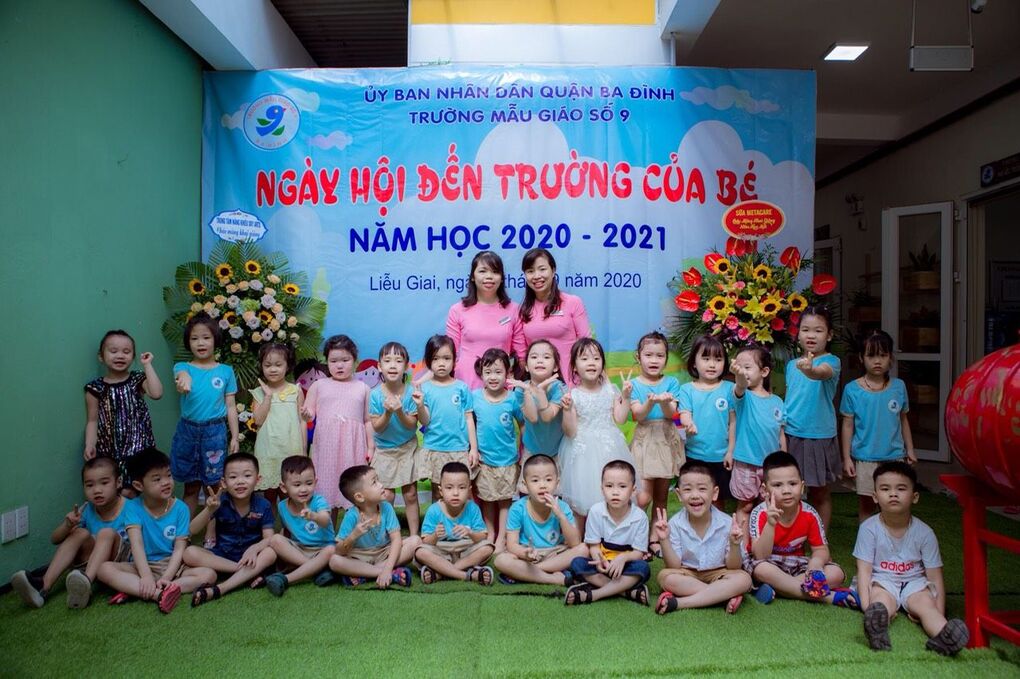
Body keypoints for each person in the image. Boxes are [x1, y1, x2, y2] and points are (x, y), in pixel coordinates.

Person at [854, 461, 968, 654]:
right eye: (885, 489)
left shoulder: (925, 533)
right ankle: (877, 628)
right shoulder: (868, 529)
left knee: (926, 606)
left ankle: (944, 635)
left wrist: (938, 610)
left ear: (914, 497)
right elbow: (864, 571)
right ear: (875, 496)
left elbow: (935, 576)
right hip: (883, 580)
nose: (893, 494)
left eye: (901, 488)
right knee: (880, 600)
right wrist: (867, 607)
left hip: (915, 583)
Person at [96, 448, 216, 614]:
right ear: (139, 485)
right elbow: (136, 544)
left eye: (168, 475)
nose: (166, 482)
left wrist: (166, 577)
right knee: (104, 569)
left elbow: (179, 549)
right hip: (142, 566)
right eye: (157, 479)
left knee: (209, 575)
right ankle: (158, 594)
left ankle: (144, 588)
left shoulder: (180, 508)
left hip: (174, 566)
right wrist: (146, 575)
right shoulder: (133, 507)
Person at [745, 451, 858, 609]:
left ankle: (780, 589)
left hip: (797, 565)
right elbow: (760, 556)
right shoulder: (760, 513)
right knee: (762, 570)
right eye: (777, 485)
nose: (786, 490)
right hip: (768, 563)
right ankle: (828, 597)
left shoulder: (809, 513)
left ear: (802, 486)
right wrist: (770, 524)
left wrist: (815, 565)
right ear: (764, 490)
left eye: (793, 484)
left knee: (836, 573)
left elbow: (821, 550)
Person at [10, 458, 128, 609]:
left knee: (106, 533)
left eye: (104, 483)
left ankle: (85, 585)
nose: (97, 490)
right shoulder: (86, 510)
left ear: (118, 482)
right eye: (90, 485)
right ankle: (43, 587)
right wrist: (67, 526)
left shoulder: (131, 507)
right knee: (79, 532)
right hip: (91, 563)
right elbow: (54, 539)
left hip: (118, 564)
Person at [558, 338, 642, 532]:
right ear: (574, 367)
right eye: (584, 358)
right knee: (581, 503)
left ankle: (609, 538)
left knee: (612, 496)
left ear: (602, 364)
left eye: (596, 358)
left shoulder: (610, 390)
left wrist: (626, 397)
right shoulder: (573, 395)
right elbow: (570, 431)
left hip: (610, 448)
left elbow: (620, 418)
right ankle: (578, 541)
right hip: (583, 452)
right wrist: (567, 410)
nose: (591, 363)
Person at [171, 312, 239, 549]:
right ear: (188, 342)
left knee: (214, 486)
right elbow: (182, 378)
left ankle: (211, 531)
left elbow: (231, 406)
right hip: (187, 432)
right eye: (195, 338)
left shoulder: (226, 371)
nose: (200, 343)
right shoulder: (182, 367)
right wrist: (184, 381)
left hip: (215, 433)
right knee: (190, 486)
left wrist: (235, 436)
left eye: (206, 337)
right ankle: (183, 533)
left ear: (215, 340)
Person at [654, 461, 752, 614]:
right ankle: (722, 596)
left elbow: (734, 567)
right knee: (666, 577)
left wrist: (734, 544)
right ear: (679, 495)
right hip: (687, 572)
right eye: (688, 489)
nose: (695, 495)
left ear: (714, 493)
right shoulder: (674, 524)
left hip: (719, 573)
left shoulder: (727, 523)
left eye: (702, 489)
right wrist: (664, 540)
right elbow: (674, 566)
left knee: (744, 579)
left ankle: (680, 603)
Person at [840, 330, 917, 522]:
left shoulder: (899, 387)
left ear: (890, 358)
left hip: (895, 456)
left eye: (883, 355)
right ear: (861, 358)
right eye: (871, 355)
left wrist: (910, 449)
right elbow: (847, 425)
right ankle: (867, 539)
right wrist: (847, 458)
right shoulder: (852, 389)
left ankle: (894, 537)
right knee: (866, 504)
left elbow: (903, 419)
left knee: (895, 503)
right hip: (865, 458)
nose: (877, 361)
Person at [182, 453, 278, 606]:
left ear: (257, 480)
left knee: (270, 553)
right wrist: (209, 509)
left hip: (252, 558)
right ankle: (244, 573)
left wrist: (254, 549)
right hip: (223, 557)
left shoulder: (263, 505)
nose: (240, 481)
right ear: (224, 482)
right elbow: (191, 530)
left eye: (247, 476)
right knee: (189, 553)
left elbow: (269, 538)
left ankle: (222, 588)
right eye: (233, 477)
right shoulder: (219, 502)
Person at [301, 334, 373, 515]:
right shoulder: (319, 385)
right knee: (327, 489)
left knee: (354, 488)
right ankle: (327, 528)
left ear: (354, 361)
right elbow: (309, 415)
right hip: (327, 446)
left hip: (353, 445)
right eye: (333, 361)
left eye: (345, 360)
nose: (339, 365)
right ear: (326, 362)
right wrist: (307, 414)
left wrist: (371, 447)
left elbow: (367, 420)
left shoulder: (363, 388)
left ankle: (355, 529)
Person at [84, 329, 163, 494]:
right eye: (113, 351)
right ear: (101, 356)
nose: (120, 355)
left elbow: (156, 393)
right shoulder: (95, 388)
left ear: (133, 357)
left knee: (142, 491)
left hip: (141, 450)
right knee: (119, 494)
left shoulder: (137, 379)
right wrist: (90, 444)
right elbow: (92, 420)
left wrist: (147, 365)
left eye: (126, 352)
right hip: (111, 453)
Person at [784, 306, 842, 530]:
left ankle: (821, 540)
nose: (811, 335)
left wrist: (809, 370)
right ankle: (791, 537)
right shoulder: (791, 365)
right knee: (789, 490)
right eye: (806, 329)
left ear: (829, 335)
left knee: (819, 491)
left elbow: (821, 373)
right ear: (798, 333)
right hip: (790, 434)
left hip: (818, 435)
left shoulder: (832, 361)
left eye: (818, 330)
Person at [627, 331, 684, 556]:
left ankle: (654, 538)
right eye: (648, 355)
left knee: (661, 496)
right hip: (645, 440)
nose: (654, 360)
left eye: (659, 356)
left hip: (666, 439)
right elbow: (638, 415)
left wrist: (666, 402)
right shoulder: (633, 385)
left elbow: (673, 415)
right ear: (638, 357)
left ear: (666, 359)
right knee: (643, 497)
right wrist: (651, 403)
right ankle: (635, 537)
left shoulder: (672, 383)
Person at [564, 460, 650, 606]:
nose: (615, 492)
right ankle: (626, 591)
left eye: (622, 486)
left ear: (633, 490)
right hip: (603, 564)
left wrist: (623, 558)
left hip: (625, 566)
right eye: (609, 486)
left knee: (643, 568)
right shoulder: (596, 511)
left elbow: (638, 552)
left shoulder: (640, 517)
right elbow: (594, 546)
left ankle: (595, 594)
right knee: (577, 563)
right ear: (602, 489)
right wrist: (599, 560)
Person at [493, 454, 587, 586]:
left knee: (584, 549)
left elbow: (575, 543)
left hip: (555, 553)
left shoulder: (562, 507)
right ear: (525, 485)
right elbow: (511, 544)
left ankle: (529, 572)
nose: (542, 485)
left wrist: (560, 515)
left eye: (548, 480)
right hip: (528, 554)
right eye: (535, 480)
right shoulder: (517, 508)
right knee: (501, 560)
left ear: (557, 483)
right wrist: (523, 553)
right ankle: (553, 578)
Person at [328, 465, 421, 587]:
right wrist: (353, 536)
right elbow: (339, 550)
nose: (381, 485)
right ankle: (391, 574)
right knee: (334, 561)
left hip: (384, 552)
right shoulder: (351, 516)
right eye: (374, 483)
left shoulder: (386, 507)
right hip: (360, 556)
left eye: (378, 480)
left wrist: (387, 568)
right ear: (359, 497)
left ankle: (365, 574)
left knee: (416, 541)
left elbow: (396, 540)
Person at [446, 250, 526, 389]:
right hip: (465, 384)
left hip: (500, 386)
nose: (489, 276)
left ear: (502, 278)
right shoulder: (457, 310)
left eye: (495, 272)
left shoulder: (514, 310)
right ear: (472, 277)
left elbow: (521, 355)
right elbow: (450, 353)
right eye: (482, 271)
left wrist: (513, 377)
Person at [727, 343, 785, 531]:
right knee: (745, 506)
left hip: (771, 466)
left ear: (764, 371)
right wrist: (739, 375)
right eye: (739, 367)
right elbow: (741, 385)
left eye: (747, 367)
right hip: (746, 463)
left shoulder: (777, 402)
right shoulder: (743, 396)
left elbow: (781, 434)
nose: (742, 371)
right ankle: (742, 545)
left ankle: (764, 543)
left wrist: (784, 460)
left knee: (770, 506)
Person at [413, 334, 477, 498]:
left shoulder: (462, 388)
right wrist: (420, 406)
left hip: (459, 448)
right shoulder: (424, 388)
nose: (441, 363)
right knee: (438, 492)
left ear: (455, 360)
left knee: (463, 493)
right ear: (428, 361)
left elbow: (469, 419)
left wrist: (474, 449)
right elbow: (425, 421)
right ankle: (437, 517)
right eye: (435, 359)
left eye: (446, 358)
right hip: (435, 448)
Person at [472, 348, 523, 551]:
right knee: (487, 498)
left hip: (507, 460)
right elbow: (469, 423)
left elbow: (522, 424)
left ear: (507, 373)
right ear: (481, 374)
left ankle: (502, 536)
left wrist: (522, 450)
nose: (493, 377)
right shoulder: (475, 397)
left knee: (504, 500)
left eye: (498, 372)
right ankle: (490, 532)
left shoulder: (512, 398)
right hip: (484, 460)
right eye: (488, 372)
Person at [368, 341, 422, 535]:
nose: (393, 365)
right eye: (388, 360)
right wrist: (388, 412)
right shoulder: (375, 395)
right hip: (385, 451)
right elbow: (377, 427)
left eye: (398, 361)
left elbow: (412, 425)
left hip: (407, 448)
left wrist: (399, 411)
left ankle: (415, 535)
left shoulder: (411, 393)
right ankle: (387, 535)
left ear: (406, 366)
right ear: (379, 366)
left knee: (410, 494)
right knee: (387, 496)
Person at [677, 334, 735, 509]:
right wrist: (688, 423)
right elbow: (683, 414)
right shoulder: (686, 389)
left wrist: (730, 451)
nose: (712, 364)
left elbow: (733, 422)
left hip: (721, 456)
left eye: (718, 359)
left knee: (718, 501)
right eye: (706, 358)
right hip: (694, 455)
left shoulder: (730, 389)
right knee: (694, 499)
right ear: (694, 362)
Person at [264, 456, 336, 596]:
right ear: (284, 487)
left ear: (315, 482)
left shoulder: (319, 501)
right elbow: (287, 531)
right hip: (300, 550)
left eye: (309, 483)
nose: (303, 489)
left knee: (331, 550)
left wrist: (313, 516)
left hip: (322, 550)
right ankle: (316, 570)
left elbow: (325, 520)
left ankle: (286, 579)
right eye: (297, 485)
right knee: (275, 539)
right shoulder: (282, 506)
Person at [518, 248, 591, 385]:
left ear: (553, 271)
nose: (536, 276)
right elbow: (522, 355)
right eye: (530, 271)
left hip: (572, 383)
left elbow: (587, 345)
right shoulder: (523, 311)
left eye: (542, 269)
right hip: (538, 387)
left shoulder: (573, 302)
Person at [415, 462, 495, 585]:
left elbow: (482, 536)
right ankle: (467, 575)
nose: (455, 493)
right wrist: (435, 535)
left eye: (461, 488)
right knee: (420, 552)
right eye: (449, 488)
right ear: (441, 491)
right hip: (441, 550)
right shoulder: (434, 510)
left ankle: (441, 572)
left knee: (488, 547)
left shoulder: (472, 508)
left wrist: (470, 532)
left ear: (469, 490)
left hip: (465, 550)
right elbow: (426, 541)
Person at [250, 343, 305, 505]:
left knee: (290, 495)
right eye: (267, 365)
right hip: (268, 450)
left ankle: (289, 523)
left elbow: (302, 421)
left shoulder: (295, 390)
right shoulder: (258, 392)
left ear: (287, 366)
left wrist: (303, 449)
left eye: (278, 365)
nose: (273, 369)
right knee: (270, 497)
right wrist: (267, 396)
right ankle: (270, 522)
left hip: (291, 449)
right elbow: (258, 420)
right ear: (261, 366)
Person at [515, 340, 566, 480]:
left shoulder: (559, 388)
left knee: (556, 488)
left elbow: (547, 416)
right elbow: (532, 418)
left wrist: (541, 392)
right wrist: (527, 391)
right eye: (534, 357)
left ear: (555, 367)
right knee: (529, 488)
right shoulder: (520, 389)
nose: (540, 360)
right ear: (526, 367)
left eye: (546, 357)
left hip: (557, 450)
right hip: (531, 449)